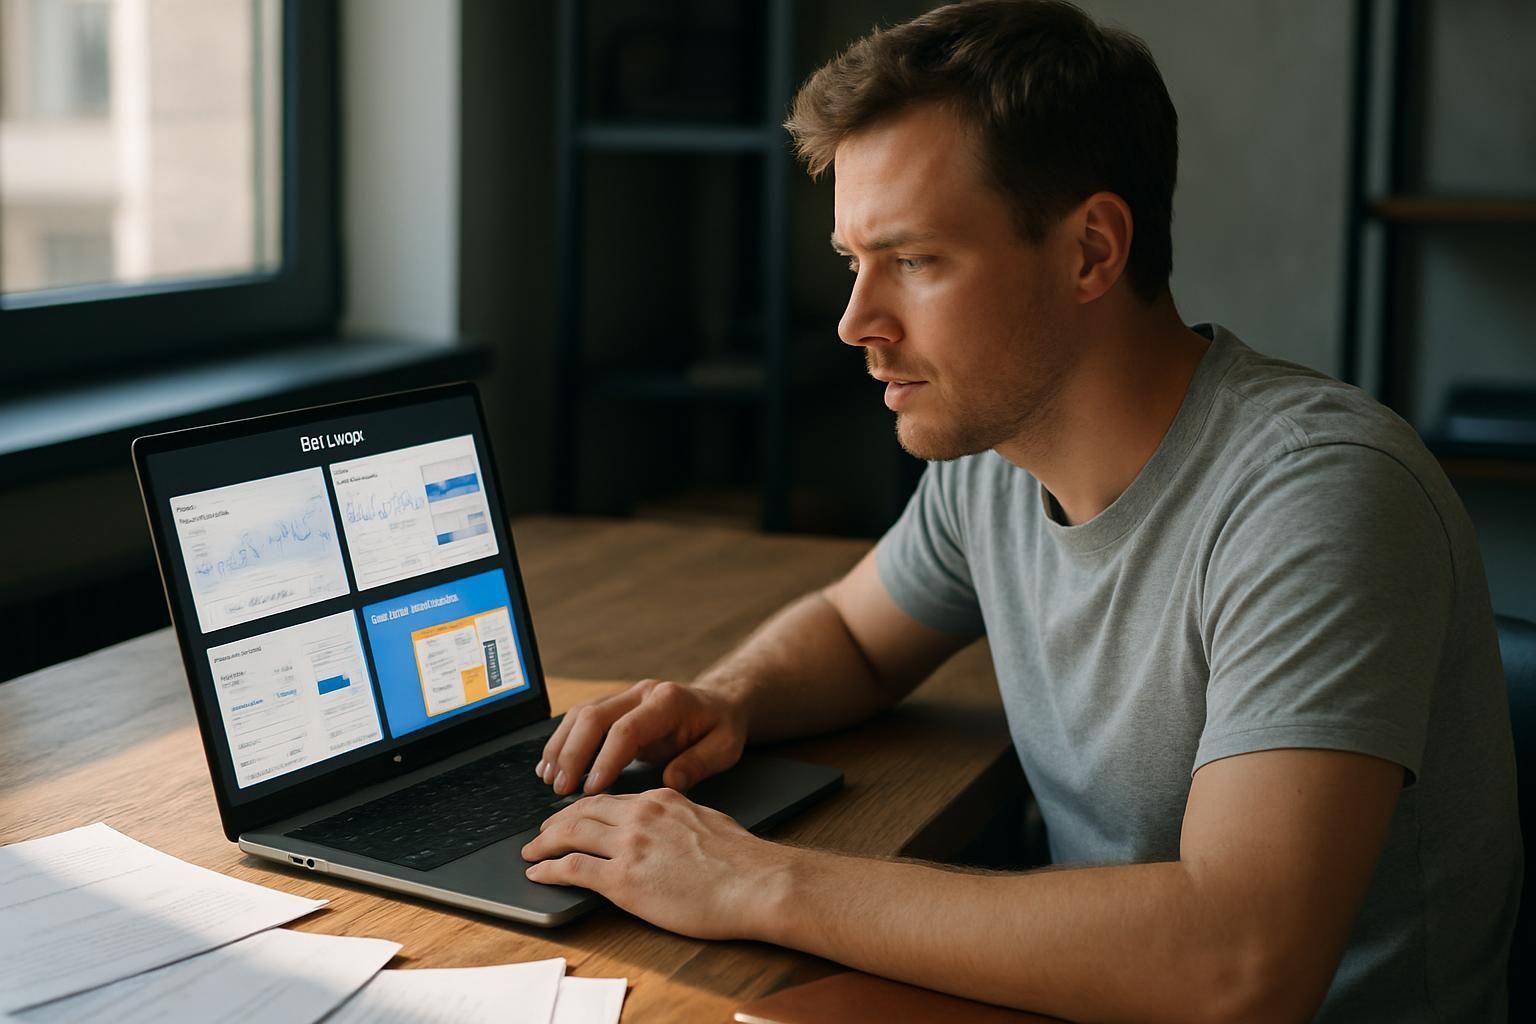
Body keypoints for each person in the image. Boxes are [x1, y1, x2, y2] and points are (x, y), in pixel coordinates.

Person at [519, 1, 1523, 1019]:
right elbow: (855, 640)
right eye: (852, 262)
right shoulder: (997, 452)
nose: (855, 321)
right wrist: (725, 700)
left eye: (913, 261)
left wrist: (754, 880)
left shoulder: (1320, 496)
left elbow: (1243, 964)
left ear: (1092, 250)